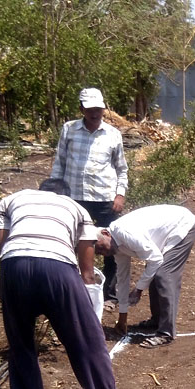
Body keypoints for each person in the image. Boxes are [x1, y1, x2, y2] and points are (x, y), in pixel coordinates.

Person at [0, 178, 138, 389]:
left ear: (40, 191)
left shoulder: (12, 199)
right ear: (66, 194)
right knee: (88, 342)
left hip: (13, 266)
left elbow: (3, 247)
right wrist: (85, 307)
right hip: (57, 268)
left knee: (21, 346)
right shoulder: (76, 208)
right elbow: (87, 270)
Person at [51, 87, 128, 309]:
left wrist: (119, 194)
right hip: (74, 198)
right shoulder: (69, 130)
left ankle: (109, 295)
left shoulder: (113, 134)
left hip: (105, 198)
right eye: (90, 109)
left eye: (98, 109)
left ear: (104, 109)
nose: (95, 113)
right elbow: (60, 162)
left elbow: (121, 169)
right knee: (73, 244)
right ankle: (78, 291)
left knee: (111, 247)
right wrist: (53, 193)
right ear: (81, 109)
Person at [94, 205, 195, 349]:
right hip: (166, 234)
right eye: (98, 253)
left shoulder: (124, 233)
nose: (102, 253)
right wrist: (122, 318)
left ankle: (166, 333)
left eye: (99, 247)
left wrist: (139, 289)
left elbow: (155, 260)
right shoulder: (116, 247)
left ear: (106, 233)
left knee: (163, 275)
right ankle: (157, 320)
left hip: (181, 226)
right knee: (154, 273)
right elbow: (123, 279)